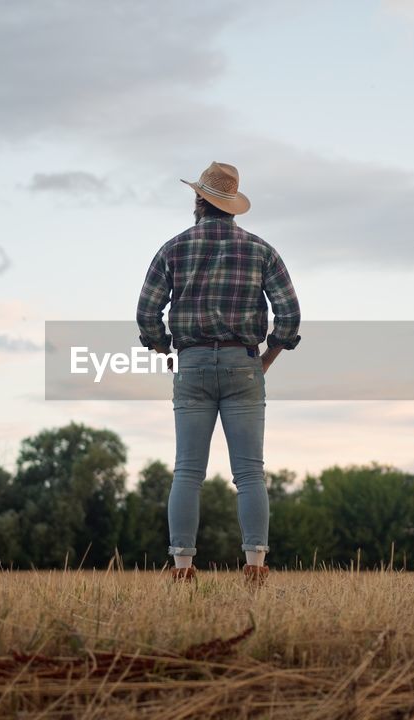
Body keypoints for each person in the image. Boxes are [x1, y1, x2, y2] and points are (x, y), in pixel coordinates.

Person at [136, 161, 301, 589]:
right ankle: (256, 563)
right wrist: (264, 361)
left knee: (187, 471)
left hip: (191, 364)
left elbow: (146, 312)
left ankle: (182, 566)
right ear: (231, 207)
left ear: (198, 202)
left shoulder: (173, 248)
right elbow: (290, 315)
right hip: (244, 365)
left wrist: (165, 351)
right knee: (249, 473)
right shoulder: (261, 250)